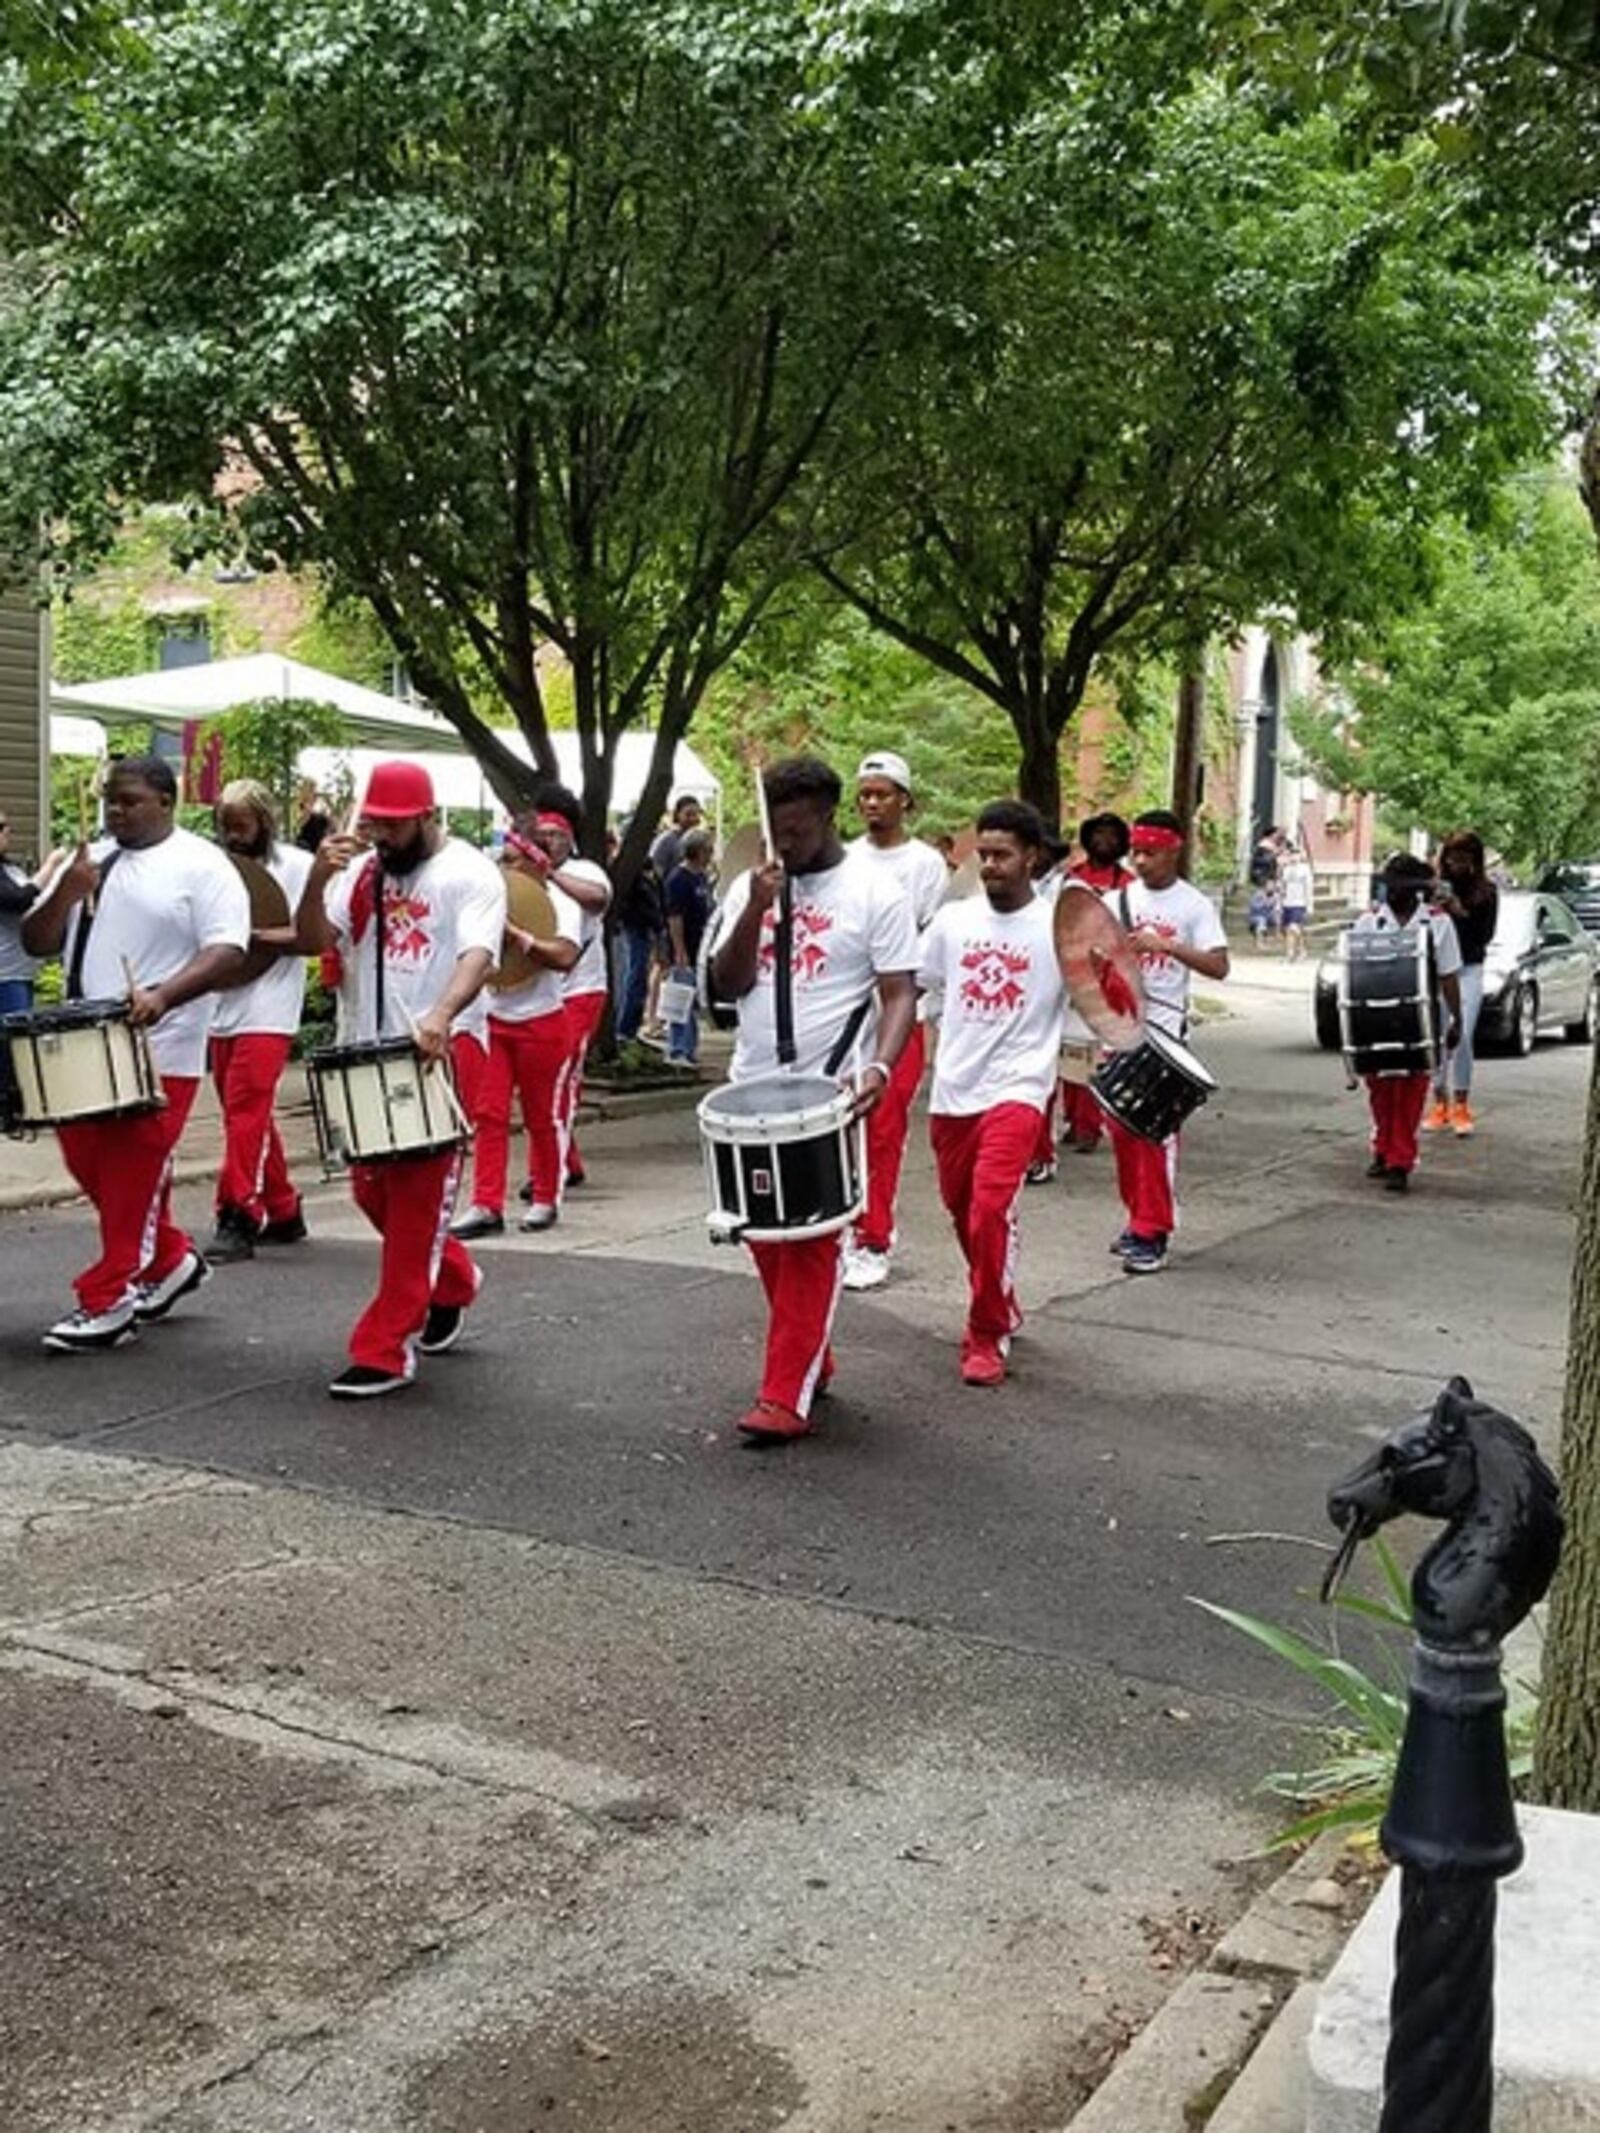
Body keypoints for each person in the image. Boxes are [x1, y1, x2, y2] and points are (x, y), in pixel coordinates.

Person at [710, 756, 917, 1443]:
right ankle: (810, 1354)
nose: (785, 844)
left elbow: (899, 993)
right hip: (751, 1083)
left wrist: (880, 1070)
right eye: (775, 830)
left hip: (827, 1091)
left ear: (827, 817)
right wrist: (756, 910)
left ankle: (783, 1395)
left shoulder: (873, 891)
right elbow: (725, 985)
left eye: (795, 830)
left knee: (813, 1240)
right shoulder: (753, 883)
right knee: (766, 1235)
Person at [20, 755, 250, 1350]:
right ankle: (171, 1258)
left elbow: (227, 950)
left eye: (130, 801)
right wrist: (65, 892)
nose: (116, 811)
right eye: (111, 802)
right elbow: (36, 942)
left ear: (167, 803)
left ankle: (108, 1298)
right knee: (88, 1163)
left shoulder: (202, 866)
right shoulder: (93, 859)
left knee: (130, 1172)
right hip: (85, 1046)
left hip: (159, 1048)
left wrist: (165, 996)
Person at [300, 760, 506, 1397]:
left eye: (393, 826)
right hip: (365, 1053)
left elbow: (479, 953)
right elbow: (315, 939)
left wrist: (442, 1013)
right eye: (374, 825)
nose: (382, 837)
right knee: (371, 1194)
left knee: (418, 1206)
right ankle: (454, 1280)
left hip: (437, 1053)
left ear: (425, 816)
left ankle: (384, 1348)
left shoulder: (469, 872)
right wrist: (315, 879)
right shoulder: (361, 872)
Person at [917, 801, 1067, 1385]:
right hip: (955, 1089)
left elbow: (1100, 1002)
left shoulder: (1061, 927)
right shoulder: (954, 923)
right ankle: (999, 1296)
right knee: (961, 1211)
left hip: (1021, 1086)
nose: (991, 865)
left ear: (1031, 857)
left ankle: (984, 1333)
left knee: (988, 1210)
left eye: (1003, 855)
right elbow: (916, 988)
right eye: (984, 854)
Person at [1102, 809, 1230, 1274]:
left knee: (1153, 1134)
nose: (1140, 860)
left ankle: (1152, 1229)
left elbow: (1219, 966)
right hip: (1119, 1028)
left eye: (1150, 852)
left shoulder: (1194, 905)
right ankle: (1138, 1216)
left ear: (1174, 849)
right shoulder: (1117, 900)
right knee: (1119, 1129)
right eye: (1135, 851)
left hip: (1164, 1038)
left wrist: (1168, 946)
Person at [840, 751, 949, 1291]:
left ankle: (875, 1237)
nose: (872, 803)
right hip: (845, 1021)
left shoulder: (924, 864)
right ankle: (845, 1228)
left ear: (905, 799)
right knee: (843, 1131)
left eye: (882, 793)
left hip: (898, 1018)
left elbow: (916, 936)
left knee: (883, 1130)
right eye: (864, 794)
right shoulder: (845, 858)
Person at [206, 779, 319, 1262]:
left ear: (264, 823)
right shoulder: (213, 868)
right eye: (226, 827)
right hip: (220, 1004)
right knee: (243, 1115)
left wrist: (253, 935)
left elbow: (312, 935)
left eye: (243, 826)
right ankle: (283, 1206)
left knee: (247, 1108)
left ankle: (237, 1213)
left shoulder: (295, 866)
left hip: (269, 1008)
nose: (234, 836)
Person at [452, 844, 582, 1240]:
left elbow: (564, 956)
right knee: (488, 1115)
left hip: (542, 1022)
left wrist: (521, 939)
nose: (503, 865)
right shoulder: (488, 899)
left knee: (541, 1116)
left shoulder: (563, 904)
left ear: (536, 863)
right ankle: (486, 1204)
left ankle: (545, 1195)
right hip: (494, 1020)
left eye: (512, 858)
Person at [514, 787, 611, 1192]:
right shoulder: (523, 876)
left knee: (561, 1081)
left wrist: (549, 872)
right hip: (540, 994)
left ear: (570, 838)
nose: (548, 841)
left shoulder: (586, 871)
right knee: (539, 1084)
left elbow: (598, 899)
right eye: (542, 834)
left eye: (556, 834)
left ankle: (543, 1173)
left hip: (581, 990)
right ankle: (566, 1162)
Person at [1356, 853, 1462, 1191]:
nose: (1394, 894)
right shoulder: (1369, 922)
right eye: (1391, 887)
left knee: (1411, 1090)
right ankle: (1383, 1147)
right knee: (1380, 1088)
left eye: (1402, 888)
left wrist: (1456, 1018)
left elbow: (1448, 976)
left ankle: (1400, 1160)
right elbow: (1354, 971)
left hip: (1418, 1017)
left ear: (1417, 891)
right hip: (1376, 1014)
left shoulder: (1438, 922)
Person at [1051, 811, 1134, 1164]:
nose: (1104, 840)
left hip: (1108, 978)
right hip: (1072, 970)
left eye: (1112, 835)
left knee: (1096, 1056)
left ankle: (1090, 1125)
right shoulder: (1070, 879)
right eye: (1097, 834)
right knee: (1069, 1052)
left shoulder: (1129, 883)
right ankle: (1073, 1119)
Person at [1424, 830, 1497, 1138]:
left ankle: (1461, 1103)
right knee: (1436, 1033)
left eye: (1463, 859)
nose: (1456, 865)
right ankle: (1439, 1101)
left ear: (1474, 860)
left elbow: (1484, 936)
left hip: (1468, 967)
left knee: (1462, 1033)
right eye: (1452, 858)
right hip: (1438, 970)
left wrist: (1459, 911)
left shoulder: (1486, 892)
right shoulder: (1434, 887)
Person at [0, 813, 66, 1016]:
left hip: (19, 975)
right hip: (4, 978)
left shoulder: (10, 869)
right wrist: (51, 865)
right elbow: (19, 900)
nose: (7, 831)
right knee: (13, 1044)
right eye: (0, 826)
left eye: (6, 825)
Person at [663, 827, 715, 1065]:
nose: (711, 854)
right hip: (685, 947)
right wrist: (679, 949)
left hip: (700, 946)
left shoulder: (702, 877)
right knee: (680, 999)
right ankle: (677, 1048)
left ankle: (690, 1047)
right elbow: (675, 917)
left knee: (692, 999)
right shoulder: (679, 879)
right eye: (707, 849)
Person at [1279, 843, 1315, 963]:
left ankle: (1289, 955)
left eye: (1296, 855)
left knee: (1292, 928)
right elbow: (1283, 888)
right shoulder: (1286, 870)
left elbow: (1308, 887)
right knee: (1288, 930)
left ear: (1300, 856)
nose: (1294, 857)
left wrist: (1309, 904)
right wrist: (1279, 904)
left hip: (1299, 903)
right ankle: (1301, 949)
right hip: (1287, 903)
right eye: (1292, 855)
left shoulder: (1305, 869)